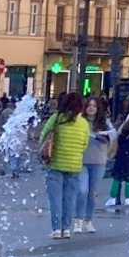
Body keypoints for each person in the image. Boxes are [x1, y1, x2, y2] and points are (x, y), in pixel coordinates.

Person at [38, 91, 90, 240]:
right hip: (74, 166)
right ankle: (66, 229)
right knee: (69, 198)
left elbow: (43, 136)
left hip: (55, 164)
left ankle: (56, 229)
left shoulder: (56, 119)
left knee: (55, 199)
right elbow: (84, 145)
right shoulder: (84, 123)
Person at [76, 96, 113, 234]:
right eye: (89, 105)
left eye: (94, 106)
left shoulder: (105, 123)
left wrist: (105, 133)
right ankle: (78, 220)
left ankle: (88, 220)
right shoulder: (81, 121)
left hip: (98, 162)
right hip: (82, 161)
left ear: (98, 109)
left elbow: (115, 133)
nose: (91, 108)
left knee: (92, 193)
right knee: (82, 190)